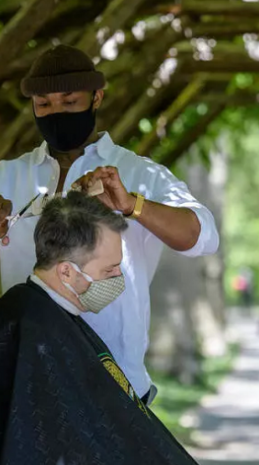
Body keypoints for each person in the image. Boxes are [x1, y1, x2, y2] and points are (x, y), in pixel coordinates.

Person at [0, 45, 219, 404]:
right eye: (44, 104)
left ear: (97, 97)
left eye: (70, 102)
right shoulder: (6, 178)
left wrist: (133, 205)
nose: (56, 112)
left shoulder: (141, 174)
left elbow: (203, 236)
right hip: (19, 386)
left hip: (112, 387)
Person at [0, 192, 212, 465]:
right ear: (66, 272)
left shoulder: (59, 318)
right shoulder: (26, 326)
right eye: (109, 269)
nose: (117, 280)